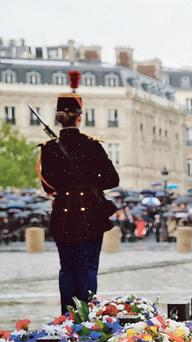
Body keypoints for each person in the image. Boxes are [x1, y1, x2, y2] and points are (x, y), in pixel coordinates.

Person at [38, 70, 119, 314]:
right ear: (79, 118)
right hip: (90, 215)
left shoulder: (48, 149)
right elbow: (112, 179)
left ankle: (67, 317)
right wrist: (89, 181)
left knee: (67, 268)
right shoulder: (92, 146)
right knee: (88, 268)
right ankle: (86, 317)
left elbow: (47, 185)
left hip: (63, 215)